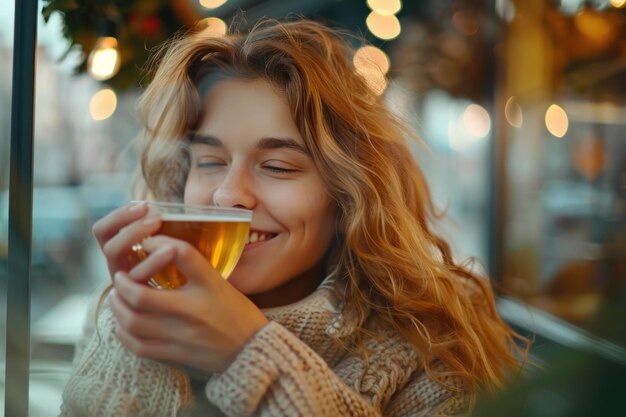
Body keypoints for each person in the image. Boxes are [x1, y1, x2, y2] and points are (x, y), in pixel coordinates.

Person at [60, 18, 528, 417]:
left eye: (277, 167)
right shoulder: (120, 313)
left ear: (348, 196)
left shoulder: (432, 351)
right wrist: (142, 340)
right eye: (210, 162)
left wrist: (250, 353)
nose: (228, 195)